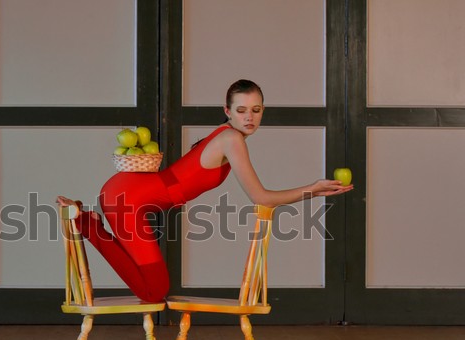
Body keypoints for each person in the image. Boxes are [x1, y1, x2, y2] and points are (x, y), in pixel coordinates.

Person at [57, 79, 353, 302]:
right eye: (241, 110)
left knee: (153, 287)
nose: (249, 117)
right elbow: (260, 198)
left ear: (263, 112)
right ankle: (88, 224)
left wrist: (314, 192)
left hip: (129, 195)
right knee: (154, 291)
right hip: (128, 200)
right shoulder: (231, 140)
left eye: (256, 110)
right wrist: (312, 190)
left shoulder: (226, 136)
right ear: (228, 111)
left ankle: (90, 223)